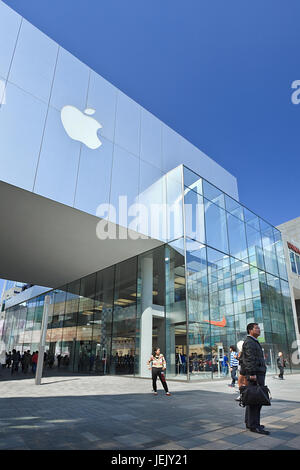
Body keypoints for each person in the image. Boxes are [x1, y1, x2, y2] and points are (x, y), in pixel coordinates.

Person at [242, 323, 270, 435]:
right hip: (256, 374)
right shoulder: (249, 342)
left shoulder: (253, 341)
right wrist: (252, 373)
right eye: (256, 328)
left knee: (252, 399)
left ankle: (250, 422)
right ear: (250, 330)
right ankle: (254, 425)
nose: (259, 329)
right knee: (256, 400)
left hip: (257, 373)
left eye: (259, 328)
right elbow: (249, 359)